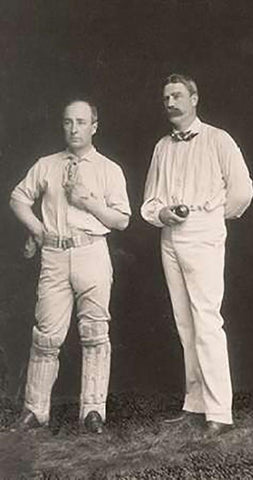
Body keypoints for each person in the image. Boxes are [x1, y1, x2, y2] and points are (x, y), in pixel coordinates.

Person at [9, 98, 131, 434]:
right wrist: (38, 230)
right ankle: (35, 410)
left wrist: (87, 202)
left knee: (94, 332)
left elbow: (121, 220)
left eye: (81, 122)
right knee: (46, 334)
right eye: (68, 122)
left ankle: (93, 412)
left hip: (91, 251)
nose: (74, 129)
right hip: (55, 254)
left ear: (94, 125)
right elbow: (19, 197)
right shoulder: (47, 164)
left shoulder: (108, 169)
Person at [141, 73, 253, 437]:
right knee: (184, 321)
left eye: (177, 95)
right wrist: (162, 214)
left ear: (194, 98)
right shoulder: (162, 146)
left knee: (206, 320)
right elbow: (150, 199)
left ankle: (220, 412)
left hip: (203, 235)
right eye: (166, 97)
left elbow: (243, 192)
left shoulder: (219, 139)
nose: (170, 102)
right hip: (170, 237)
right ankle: (196, 403)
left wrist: (209, 219)